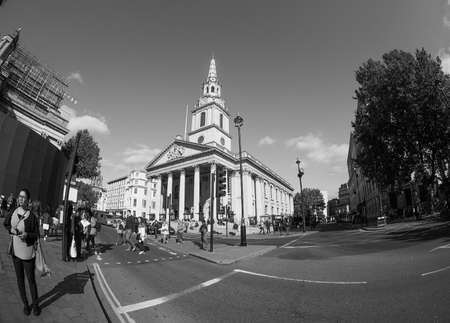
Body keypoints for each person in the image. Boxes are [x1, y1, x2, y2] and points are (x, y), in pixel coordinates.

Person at [3, 189, 41, 316]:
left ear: (28, 200)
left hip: (27, 253)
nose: (20, 199)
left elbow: (36, 235)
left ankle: (35, 305)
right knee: (20, 280)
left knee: (31, 280)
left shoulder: (32, 217)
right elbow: (6, 224)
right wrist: (11, 230)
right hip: (15, 252)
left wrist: (27, 235)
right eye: (19, 196)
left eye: (23, 197)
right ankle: (26, 304)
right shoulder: (13, 210)